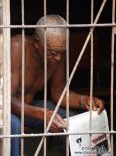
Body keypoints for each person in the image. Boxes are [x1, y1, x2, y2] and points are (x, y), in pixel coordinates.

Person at [11, 15, 104, 156]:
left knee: (73, 120)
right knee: (14, 125)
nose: (58, 58)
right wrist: (44, 114)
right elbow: (7, 99)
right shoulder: (17, 47)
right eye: (53, 52)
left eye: (62, 51)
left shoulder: (57, 54)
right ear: (37, 43)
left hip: (31, 110)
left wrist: (83, 100)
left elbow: (59, 93)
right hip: (9, 111)